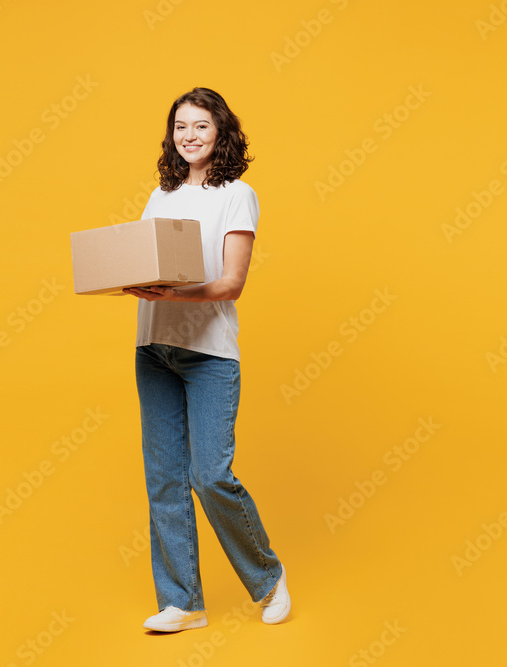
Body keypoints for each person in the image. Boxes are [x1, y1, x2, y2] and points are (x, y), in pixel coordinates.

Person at [123, 87, 290, 633]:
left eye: (199, 126)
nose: (188, 136)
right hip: (155, 350)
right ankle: (182, 601)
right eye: (180, 127)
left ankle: (268, 578)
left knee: (210, 475)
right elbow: (146, 261)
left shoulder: (237, 194)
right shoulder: (161, 196)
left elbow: (231, 283)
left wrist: (173, 293)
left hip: (208, 354)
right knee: (165, 479)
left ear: (220, 131)